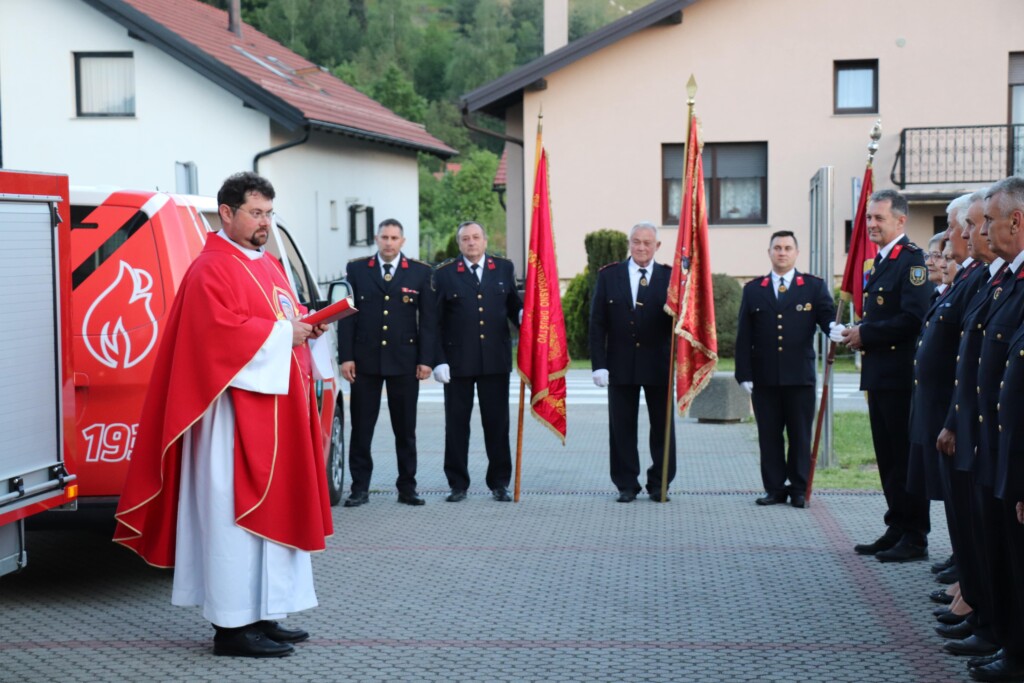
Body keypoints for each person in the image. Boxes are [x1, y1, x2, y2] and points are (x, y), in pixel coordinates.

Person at [112, 172, 334, 658]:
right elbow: (215, 335)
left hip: (275, 408)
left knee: (274, 513)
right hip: (231, 418)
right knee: (232, 519)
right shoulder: (210, 267)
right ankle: (232, 628)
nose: (264, 223)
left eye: (269, 214)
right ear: (227, 213)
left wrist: (305, 329)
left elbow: (282, 317)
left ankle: (266, 613)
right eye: (256, 213)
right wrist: (282, 336)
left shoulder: (269, 265)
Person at [837, 189, 931, 562]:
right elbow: (881, 315)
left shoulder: (912, 261)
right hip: (879, 374)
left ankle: (916, 535)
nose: (871, 225)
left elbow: (912, 319)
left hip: (899, 376)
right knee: (887, 456)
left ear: (900, 221)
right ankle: (897, 524)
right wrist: (859, 331)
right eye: (870, 218)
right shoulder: (879, 262)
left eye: (878, 218)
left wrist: (867, 334)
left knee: (904, 457)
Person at [338, 218, 436, 508]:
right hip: (365, 363)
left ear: (402, 242)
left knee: (405, 429)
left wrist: (426, 360)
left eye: (394, 238)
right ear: (376, 239)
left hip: (405, 362)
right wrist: (346, 357)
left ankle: (407, 488)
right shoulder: (357, 270)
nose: (389, 242)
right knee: (361, 429)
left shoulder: (419, 273)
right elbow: (347, 316)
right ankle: (359, 488)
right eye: (384, 237)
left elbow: (428, 322)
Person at [734, 230, 835, 508]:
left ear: (796, 253)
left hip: (799, 377)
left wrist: (836, 330)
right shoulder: (754, 289)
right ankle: (774, 488)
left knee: (800, 436)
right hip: (765, 379)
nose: (782, 252)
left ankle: (799, 488)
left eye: (788, 247)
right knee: (769, 436)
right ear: (769, 253)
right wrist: (743, 374)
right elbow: (744, 335)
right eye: (777, 247)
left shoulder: (813, 287)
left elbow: (827, 318)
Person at [431, 221, 522, 502]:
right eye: (465, 239)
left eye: (476, 237)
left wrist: (522, 316)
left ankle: (499, 483)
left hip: (495, 361)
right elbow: (434, 322)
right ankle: (458, 484)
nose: (471, 243)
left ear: (485, 241)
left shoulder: (503, 269)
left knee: (497, 424)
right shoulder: (445, 274)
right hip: (457, 363)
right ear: (459, 244)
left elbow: (513, 305)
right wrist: (438, 361)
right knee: (457, 425)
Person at [589, 221, 676, 502]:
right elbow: (597, 323)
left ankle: (660, 483)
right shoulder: (609, 276)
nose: (641, 247)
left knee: (662, 428)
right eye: (636, 242)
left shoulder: (671, 278)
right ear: (629, 243)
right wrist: (599, 364)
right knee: (622, 427)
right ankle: (626, 484)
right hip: (620, 363)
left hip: (659, 364)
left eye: (647, 243)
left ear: (657, 246)